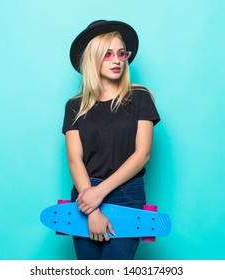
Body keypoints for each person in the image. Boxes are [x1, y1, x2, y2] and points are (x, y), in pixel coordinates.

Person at [62, 20, 160, 260]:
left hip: (127, 193)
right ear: (92, 58)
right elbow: (75, 160)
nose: (117, 60)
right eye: (107, 54)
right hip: (85, 196)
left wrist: (99, 193)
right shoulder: (74, 106)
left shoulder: (140, 97)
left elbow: (142, 154)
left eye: (120, 53)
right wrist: (91, 204)